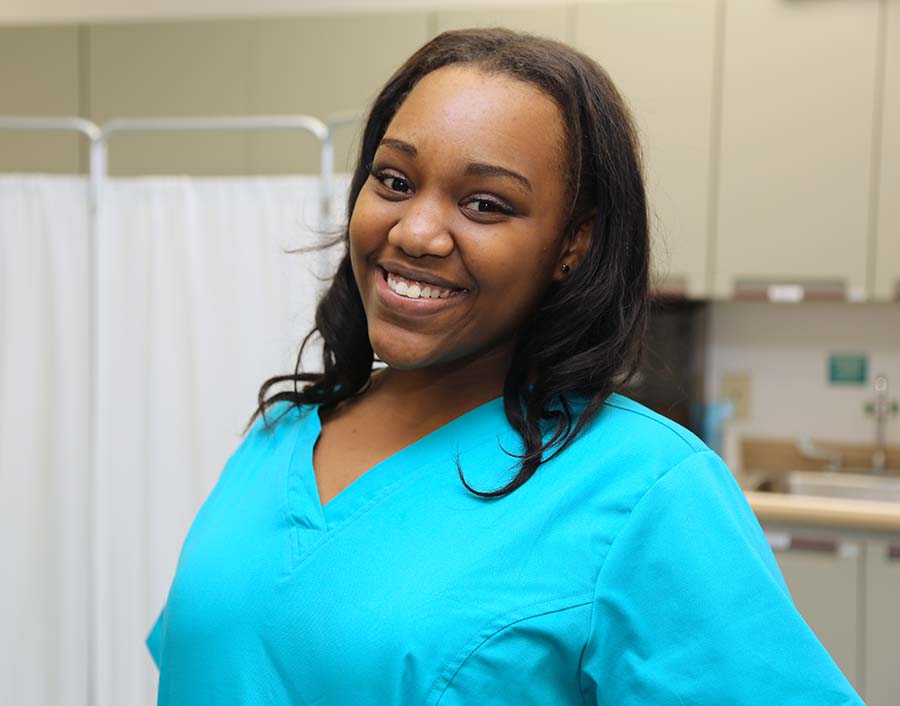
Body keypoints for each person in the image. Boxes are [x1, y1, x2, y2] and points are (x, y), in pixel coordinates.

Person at [146, 28, 865, 705]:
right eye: (394, 181)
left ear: (572, 243)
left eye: (485, 204)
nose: (417, 231)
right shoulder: (281, 436)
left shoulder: (644, 490)